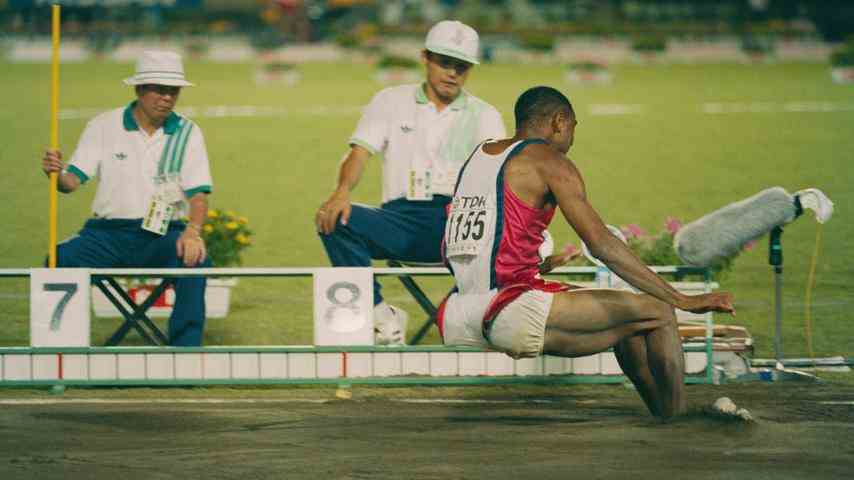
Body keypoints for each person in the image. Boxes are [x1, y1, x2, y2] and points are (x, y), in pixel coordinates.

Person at [438, 86, 735, 419]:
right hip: (513, 310)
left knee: (631, 320)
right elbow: (602, 244)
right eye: (573, 128)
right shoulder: (550, 161)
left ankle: (666, 415)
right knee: (660, 311)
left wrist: (537, 264)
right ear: (559, 121)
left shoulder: (478, 157)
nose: (572, 139)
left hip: (459, 314)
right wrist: (683, 299)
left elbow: (458, 245)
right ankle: (681, 420)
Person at [315, 20, 506, 345]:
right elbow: (360, 153)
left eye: (462, 67)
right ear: (425, 58)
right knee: (336, 220)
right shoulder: (390, 101)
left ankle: (480, 322)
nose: (453, 74)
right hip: (400, 220)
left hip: (461, 225)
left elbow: (501, 180)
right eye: (445, 63)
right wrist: (341, 193)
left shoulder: (485, 115)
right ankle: (381, 317)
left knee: (517, 236)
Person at [41, 51, 213, 347]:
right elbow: (71, 182)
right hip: (106, 235)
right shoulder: (103, 125)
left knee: (196, 261)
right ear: (139, 89)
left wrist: (193, 232)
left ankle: (186, 354)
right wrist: (55, 173)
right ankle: (61, 351)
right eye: (159, 90)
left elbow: (198, 193)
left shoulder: (188, 132)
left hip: (162, 234)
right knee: (58, 261)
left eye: (173, 91)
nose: (167, 98)